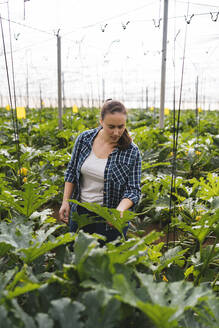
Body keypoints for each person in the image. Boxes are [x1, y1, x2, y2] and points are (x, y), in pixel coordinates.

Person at [59, 99, 141, 243]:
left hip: (110, 218)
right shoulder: (84, 139)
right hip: (80, 214)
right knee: (77, 258)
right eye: (111, 127)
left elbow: (133, 190)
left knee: (106, 262)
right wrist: (65, 201)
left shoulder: (131, 151)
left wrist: (119, 210)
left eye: (121, 126)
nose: (116, 132)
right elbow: (71, 171)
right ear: (101, 121)